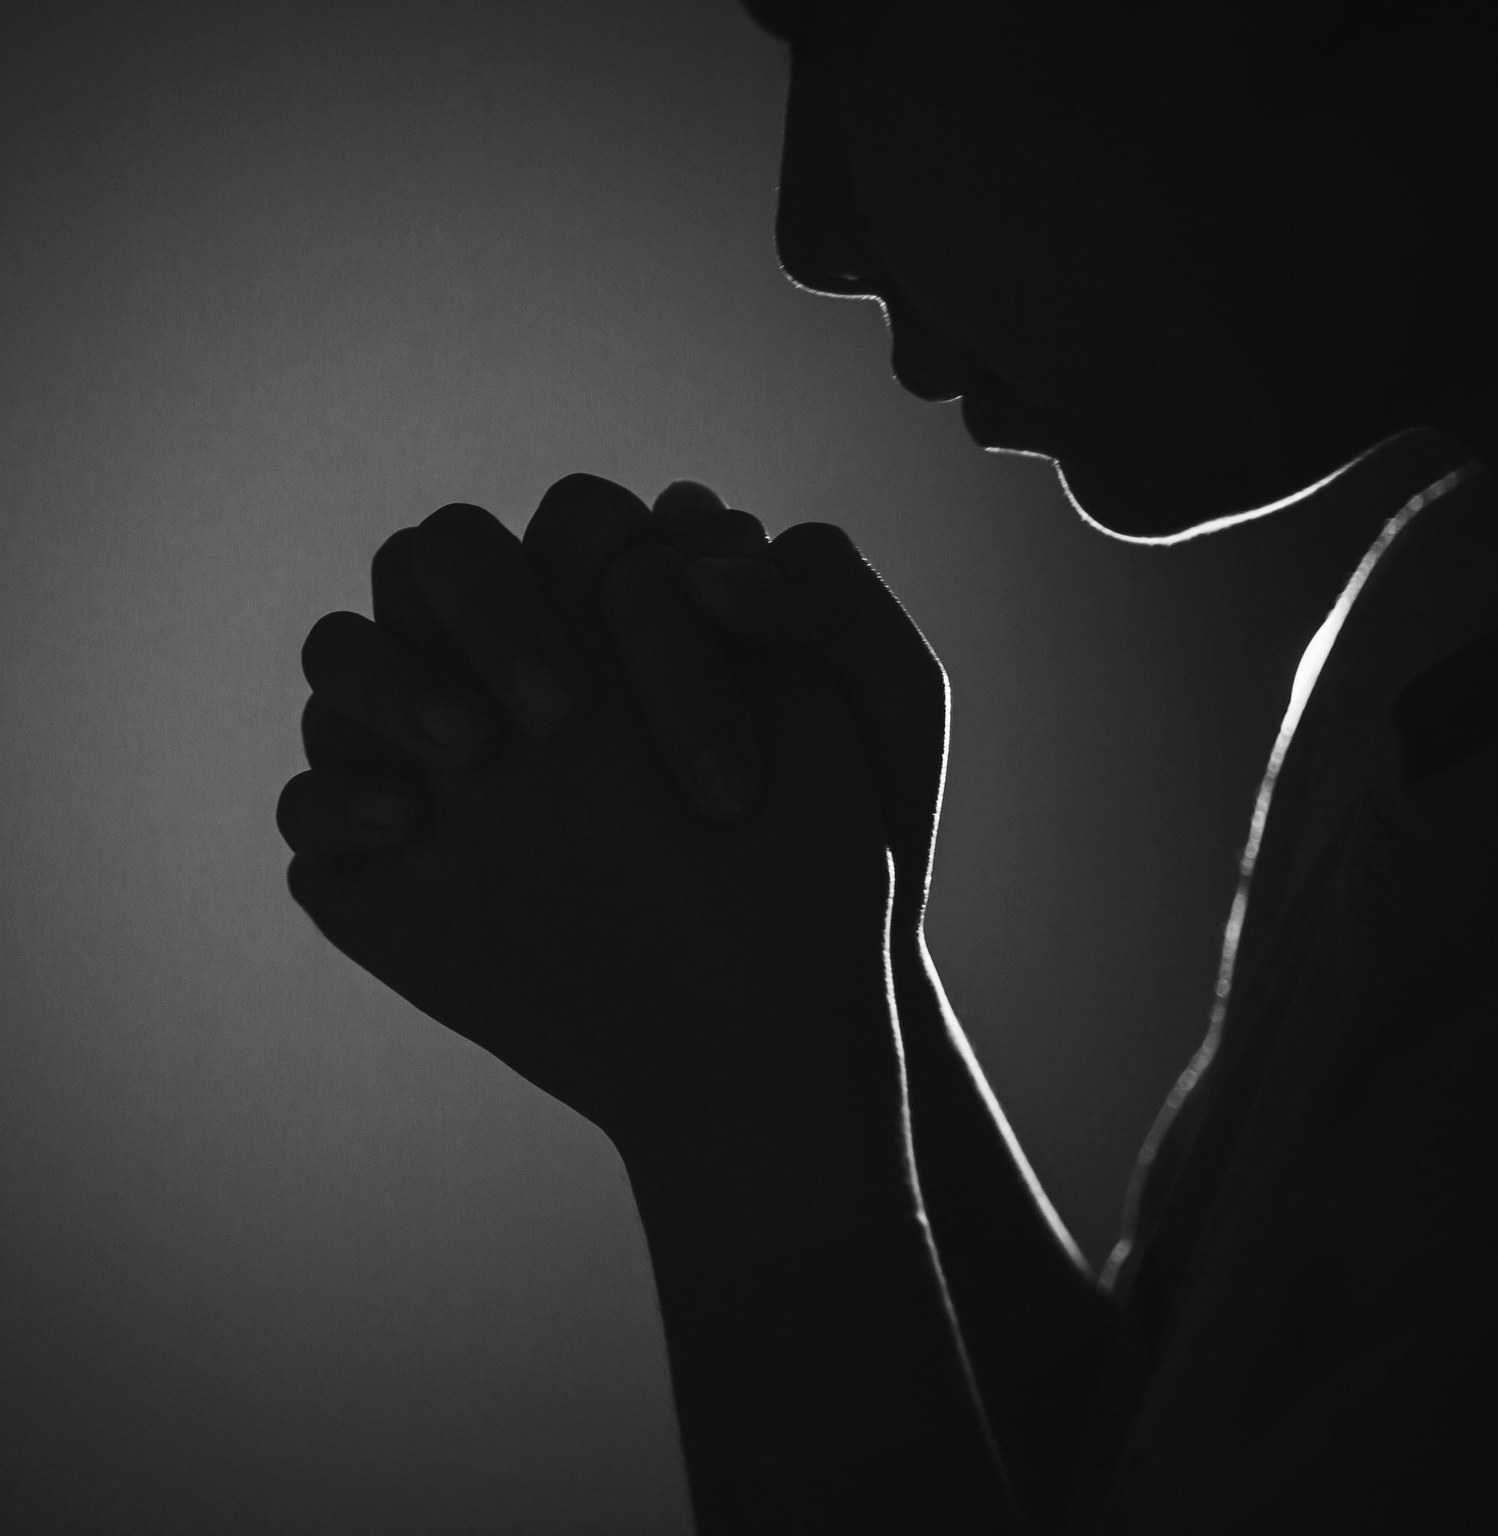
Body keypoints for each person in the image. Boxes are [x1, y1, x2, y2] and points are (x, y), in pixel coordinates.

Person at [275, 1, 1494, 1530]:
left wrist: (741, 1111)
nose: (810, 227)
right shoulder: (1437, 609)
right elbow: (1171, 1471)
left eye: (849, 24)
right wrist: (847, 972)